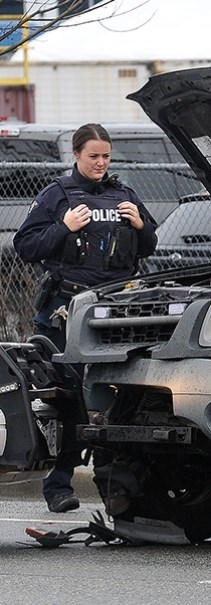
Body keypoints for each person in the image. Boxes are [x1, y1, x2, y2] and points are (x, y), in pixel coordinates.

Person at [13, 123, 158, 512]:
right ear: (76, 155)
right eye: (93, 155)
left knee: (118, 400)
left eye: (106, 156)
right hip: (65, 314)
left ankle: (114, 487)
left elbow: (149, 244)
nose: (100, 163)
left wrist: (142, 225)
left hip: (116, 315)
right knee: (73, 401)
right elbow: (25, 245)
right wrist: (64, 227)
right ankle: (59, 486)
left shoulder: (124, 194)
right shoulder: (56, 195)